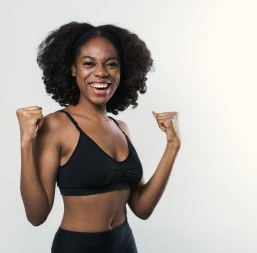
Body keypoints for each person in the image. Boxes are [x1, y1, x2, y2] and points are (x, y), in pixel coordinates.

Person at [16, 21, 181, 253]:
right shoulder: (56, 126)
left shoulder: (121, 128)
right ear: (73, 69)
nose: (101, 72)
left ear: (122, 71)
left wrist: (173, 145)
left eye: (111, 64)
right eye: (88, 63)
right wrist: (26, 144)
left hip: (125, 244)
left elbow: (142, 208)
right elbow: (36, 215)